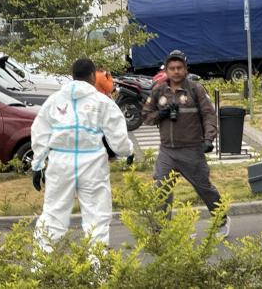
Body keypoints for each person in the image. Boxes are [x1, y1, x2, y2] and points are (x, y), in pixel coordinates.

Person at [30, 58, 134, 252]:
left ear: (73, 75)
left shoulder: (55, 100)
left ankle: (40, 268)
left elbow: (40, 131)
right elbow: (117, 134)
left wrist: (37, 164)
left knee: (53, 214)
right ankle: (97, 272)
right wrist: (127, 151)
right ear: (93, 76)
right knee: (97, 218)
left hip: (60, 162)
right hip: (92, 163)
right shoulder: (102, 102)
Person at [142, 50, 231, 238]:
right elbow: (147, 117)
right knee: (161, 189)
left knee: (204, 188)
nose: (176, 71)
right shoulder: (159, 90)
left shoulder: (195, 89)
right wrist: (162, 114)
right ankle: (162, 230)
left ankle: (221, 219)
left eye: (179, 68)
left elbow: (209, 115)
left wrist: (209, 138)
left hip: (192, 150)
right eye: (172, 68)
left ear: (185, 69)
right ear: (166, 70)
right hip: (167, 151)